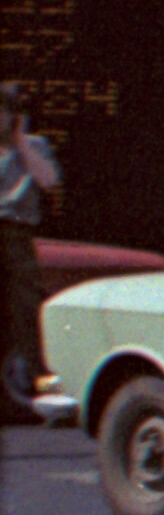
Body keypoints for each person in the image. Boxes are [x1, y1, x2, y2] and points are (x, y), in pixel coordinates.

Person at [0, 84, 58, 422]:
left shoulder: (33, 146)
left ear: (13, 116)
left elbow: (48, 180)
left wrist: (21, 142)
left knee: (25, 308)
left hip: (15, 233)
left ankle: (30, 388)